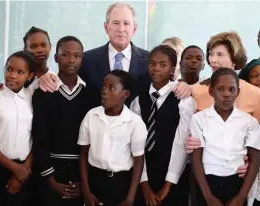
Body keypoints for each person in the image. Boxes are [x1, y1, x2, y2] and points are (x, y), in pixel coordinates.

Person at [38, 3, 191, 106]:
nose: (121, 29)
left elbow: (168, 84)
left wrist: (183, 84)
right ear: (106, 27)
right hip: (97, 139)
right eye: (115, 23)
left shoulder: (151, 61)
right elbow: (68, 80)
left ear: (134, 29)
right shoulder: (87, 59)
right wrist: (47, 77)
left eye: (126, 23)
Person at [32, 36, 96, 206]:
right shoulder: (43, 93)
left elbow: (93, 140)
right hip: (50, 173)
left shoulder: (91, 95)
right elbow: (39, 137)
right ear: (56, 58)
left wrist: (84, 181)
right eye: (66, 55)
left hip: (80, 174)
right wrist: (50, 180)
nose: (71, 60)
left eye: (77, 56)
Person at [131, 45, 194, 206]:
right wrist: (143, 183)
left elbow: (182, 141)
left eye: (163, 65)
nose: (156, 69)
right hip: (144, 173)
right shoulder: (139, 100)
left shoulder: (183, 100)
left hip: (174, 173)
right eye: (152, 64)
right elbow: (135, 144)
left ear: (172, 69)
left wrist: (168, 184)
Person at [191, 68, 260, 206]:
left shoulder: (249, 122)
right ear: (211, 91)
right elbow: (196, 158)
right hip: (207, 183)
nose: (226, 94)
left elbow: (255, 160)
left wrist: (241, 197)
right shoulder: (199, 119)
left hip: (237, 183)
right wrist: (208, 197)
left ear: (238, 92)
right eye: (220, 89)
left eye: (232, 89)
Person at [78, 70, 147, 206]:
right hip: (95, 180)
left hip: (121, 183)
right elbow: (83, 154)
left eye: (111, 88)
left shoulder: (134, 122)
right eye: (104, 86)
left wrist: (130, 198)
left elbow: (138, 160)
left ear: (125, 94)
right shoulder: (91, 116)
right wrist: (86, 190)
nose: (104, 91)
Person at [0, 50, 36, 206]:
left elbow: (36, 136)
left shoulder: (34, 98)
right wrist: (14, 168)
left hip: (26, 169)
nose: (12, 75)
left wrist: (23, 170)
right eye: (9, 69)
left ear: (30, 75)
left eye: (20, 72)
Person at [0, 26, 53, 94]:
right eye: (33, 46)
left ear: (50, 47)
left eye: (44, 45)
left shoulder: (56, 81)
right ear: (25, 50)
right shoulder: (14, 80)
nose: (40, 50)